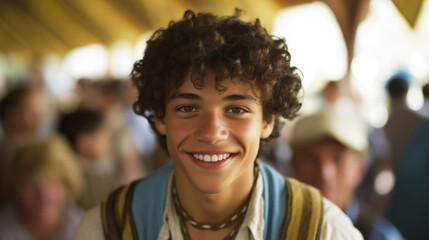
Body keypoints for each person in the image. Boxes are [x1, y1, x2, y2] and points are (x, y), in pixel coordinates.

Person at [76, 9, 362, 240]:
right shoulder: (108, 228)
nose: (212, 133)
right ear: (161, 117)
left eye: (236, 109)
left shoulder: (323, 230)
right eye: (188, 108)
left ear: (268, 120)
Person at [290, 110, 403, 240]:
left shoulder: (382, 237)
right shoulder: (271, 229)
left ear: (361, 169)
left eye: (339, 159)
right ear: (293, 165)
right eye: (310, 158)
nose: (325, 173)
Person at [0, 136, 84, 240]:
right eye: (32, 184)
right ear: (16, 187)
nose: (44, 195)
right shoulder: (3, 228)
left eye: (52, 182)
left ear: (67, 184)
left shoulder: (86, 228)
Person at [58, 107, 119, 210]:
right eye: (103, 134)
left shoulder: (98, 168)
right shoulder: (75, 179)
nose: (109, 140)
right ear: (83, 141)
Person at [0, 84, 46, 205]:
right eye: (31, 110)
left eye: (39, 110)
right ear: (11, 114)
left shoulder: (42, 151)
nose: (38, 116)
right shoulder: (5, 155)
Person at [384, 76, 426, 170]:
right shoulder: (420, 120)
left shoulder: (389, 124)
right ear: (406, 91)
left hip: (401, 173)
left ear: (389, 94)